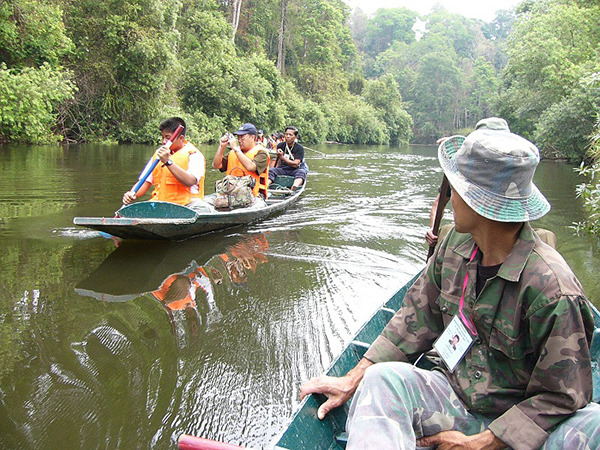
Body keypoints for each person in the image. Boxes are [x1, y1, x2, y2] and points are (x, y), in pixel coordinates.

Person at [300, 119, 600, 450]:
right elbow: (416, 316)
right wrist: (351, 379)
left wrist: (482, 443)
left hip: (520, 425)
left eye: (455, 188)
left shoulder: (551, 289)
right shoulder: (453, 244)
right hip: (455, 399)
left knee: (593, 425)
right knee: (380, 379)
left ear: (480, 204)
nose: (449, 196)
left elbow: (562, 396)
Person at [425, 118, 511, 249]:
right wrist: (433, 230)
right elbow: (439, 204)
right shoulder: (461, 172)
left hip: (503, 235)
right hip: (472, 235)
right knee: (446, 232)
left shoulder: (516, 173)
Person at [122, 117, 205, 207]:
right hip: (162, 204)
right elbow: (145, 181)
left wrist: (167, 162)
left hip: (188, 204)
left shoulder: (194, 155)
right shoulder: (159, 154)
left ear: (181, 138)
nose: (164, 141)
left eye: (168, 138)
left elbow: (190, 181)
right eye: (163, 137)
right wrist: (132, 194)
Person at [212, 123, 270, 199]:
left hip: (253, 196)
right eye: (238, 138)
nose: (239, 141)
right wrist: (222, 146)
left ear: (252, 138)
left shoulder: (262, 153)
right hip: (231, 193)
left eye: (242, 138)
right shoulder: (233, 152)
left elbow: (251, 167)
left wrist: (236, 149)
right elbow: (216, 165)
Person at [268, 126, 307, 190]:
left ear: (295, 137)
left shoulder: (299, 148)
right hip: (282, 169)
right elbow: (278, 160)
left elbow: (296, 164)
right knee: (271, 171)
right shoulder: (280, 145)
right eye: (286, 134)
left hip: (294, 170)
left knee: (302, 172)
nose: (288, 136)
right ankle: (267, 185)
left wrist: (282, 157)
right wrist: (276, 168)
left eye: (290, 135)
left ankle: (295, 186)